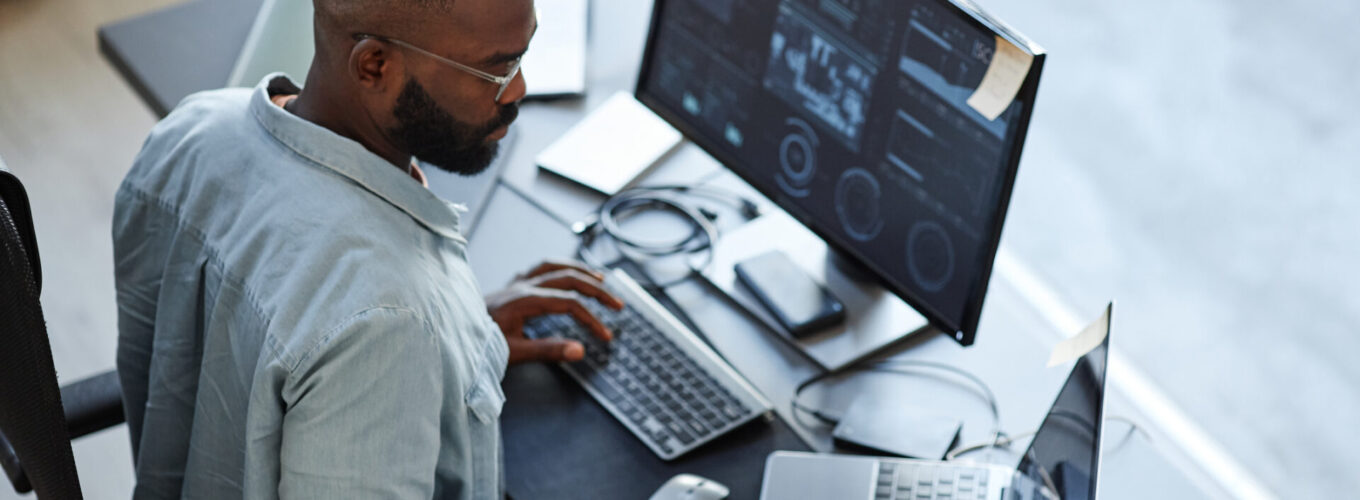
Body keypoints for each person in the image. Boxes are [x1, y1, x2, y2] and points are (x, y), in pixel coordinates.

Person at [111, 0, 616, 497]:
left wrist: (457, 346)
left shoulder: (191, 129)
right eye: (498, 69)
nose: (518, 90)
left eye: (523, 56)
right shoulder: (386, 324)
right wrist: (406, 345)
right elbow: (356, 324)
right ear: (375, 65)